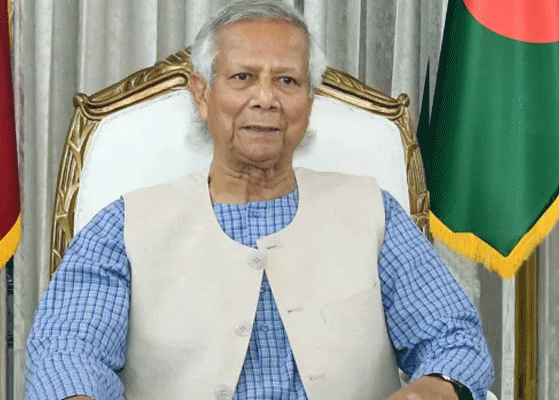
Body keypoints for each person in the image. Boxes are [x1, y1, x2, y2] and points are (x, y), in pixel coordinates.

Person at [25, 1, 494, 399]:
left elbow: (452, 335)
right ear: (202, 95)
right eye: (243, 77)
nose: (265, 98)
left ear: (310, 101)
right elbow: (67, 349)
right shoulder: (125, 224)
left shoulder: (373, 211)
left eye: (287, 81)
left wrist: (432, 389)